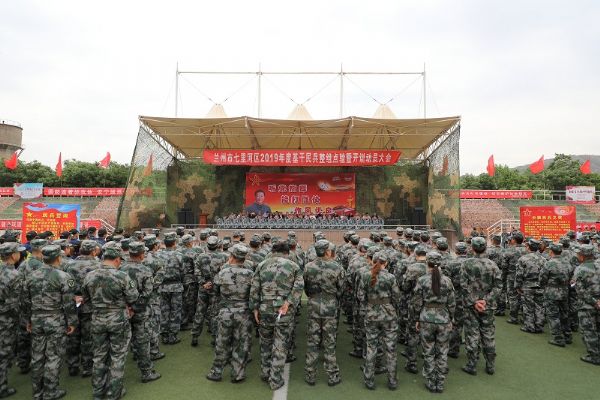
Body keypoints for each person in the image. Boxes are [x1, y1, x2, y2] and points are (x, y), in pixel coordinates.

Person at [23, 245, 77, 400]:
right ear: (58, 258)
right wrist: (72, 322)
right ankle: (50, 392)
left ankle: (37, 392)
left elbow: (25, 301)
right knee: (53, 356)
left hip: (36, 319)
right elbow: (69, 303)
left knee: (37, 356)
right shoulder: (63, 276)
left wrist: (28, 320)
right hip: (55, 320)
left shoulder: (31, 276)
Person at [249, 240, 303, 391]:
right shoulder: (293, 266)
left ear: (273, 251)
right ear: (287, 252)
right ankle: (275, 379)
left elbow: (254, 288)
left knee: (265, 342)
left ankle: (265, 372)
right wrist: (289, 302)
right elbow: (299, 287)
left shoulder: (262, 265)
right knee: (280, 344)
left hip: (265, 309)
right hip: (283, 311)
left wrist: (254, 308)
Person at [206, 244, 254, 383]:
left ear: (232, 257)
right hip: (244, 313)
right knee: (242, 343)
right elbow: (254, 295)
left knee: (222, 342)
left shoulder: (222, 273)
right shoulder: (250, 274)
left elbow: (214, 292)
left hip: (225, 312)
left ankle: (216, 372)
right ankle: (238, 374)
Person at [303, 240, 345, 387]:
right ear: (327, 251)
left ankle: (310, 374)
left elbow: (306, 288)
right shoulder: (337, 267)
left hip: (313, 306)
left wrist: (314, 297)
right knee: (329, 342)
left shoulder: (308, 267)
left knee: (312, 341)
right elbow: (341, 289)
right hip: (330, 307)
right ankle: (332, 375)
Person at [356, 252, 400, 390]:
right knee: (391, 349)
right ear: (386, 263)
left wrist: (370, 304)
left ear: (373, 261)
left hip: (371, 314)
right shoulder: (391, 277)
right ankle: (392, 381)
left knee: (371, 347)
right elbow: (397, 296)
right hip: (388, 315)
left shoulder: (365, 275)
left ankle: (369, 380)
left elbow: (360, 296)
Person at [413, 252, 455, 393]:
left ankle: (431, 381)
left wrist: (417, 318)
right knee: (442, 352)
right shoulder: (447, 281)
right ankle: (440, 382)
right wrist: (451, 318)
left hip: (426, 319)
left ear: (427, 263)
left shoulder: (422, 280)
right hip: (444, 319)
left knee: (428, 351)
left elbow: (417, 302)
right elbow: (452, 303)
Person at [120, 241, 161, 383]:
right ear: (142, 254)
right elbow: (147, 293)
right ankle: (146, 372)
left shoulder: (120, 268)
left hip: (124, 310)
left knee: (123, 342)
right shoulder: (145, 270)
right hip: (141, 311)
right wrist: (135, 308)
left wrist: (128, 307)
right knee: (143, 341)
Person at [460, 237, 502, 375]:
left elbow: (463, 285)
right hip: (487, 306)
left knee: (472, 334)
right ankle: (490, 365)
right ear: (485, 248)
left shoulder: (466, 264)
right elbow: (498, 286)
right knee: (488, 334)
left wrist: (475, 301)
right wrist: (485, 300)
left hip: (471, 305)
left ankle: (472, 364)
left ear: (472, 248)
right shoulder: (493, 265)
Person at [63, 240, 101, 377]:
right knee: (88, 337)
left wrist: (73, 297)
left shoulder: (69, 265)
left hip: (72, 304)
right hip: (90, 305)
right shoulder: (98, 265)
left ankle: (73, 365)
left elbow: (64, 285)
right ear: (93, 251)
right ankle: (87, 366)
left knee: (72, 336)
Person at [0, 243, 24, 398]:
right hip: (6, 319)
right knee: (3, 353)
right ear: (13, 255)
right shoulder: (14, 275)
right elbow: (16, 303)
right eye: (17, 252)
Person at [539, 243, 572, 346]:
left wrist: (544, 287)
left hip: (551, 292)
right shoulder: (567, 263)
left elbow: (542, 279)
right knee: (564, 314)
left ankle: (558, 338)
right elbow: (571, 277)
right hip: (564, 291)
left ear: (551, 251)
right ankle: (567, 336)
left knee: (553, 315)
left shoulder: (549, 263)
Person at [156, 232, 185, 344]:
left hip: (162, 286)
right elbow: (183, 271)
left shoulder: (158, 255)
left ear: (164, 243)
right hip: (176, 286)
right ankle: (172, 336)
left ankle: (164, 335)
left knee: (164, 310)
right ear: (174, 243)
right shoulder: (179, 255)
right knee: (175, 311)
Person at [573, 244, 600, 365]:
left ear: (582, 256)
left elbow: (580, 291)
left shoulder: (580, 269)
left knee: (589, 330)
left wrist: (594, 302)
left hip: (587, 305)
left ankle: (594, 356)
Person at [515, 239, 546, 333]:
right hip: (539, 285)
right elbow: (545, 274)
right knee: (539, 306)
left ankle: (529, 326)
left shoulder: (523, 259)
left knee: (528, 306)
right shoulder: (543, 259)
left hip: (528, 285)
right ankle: (539, 326)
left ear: (528, 247)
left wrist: (518, 286)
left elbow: (519, 274)